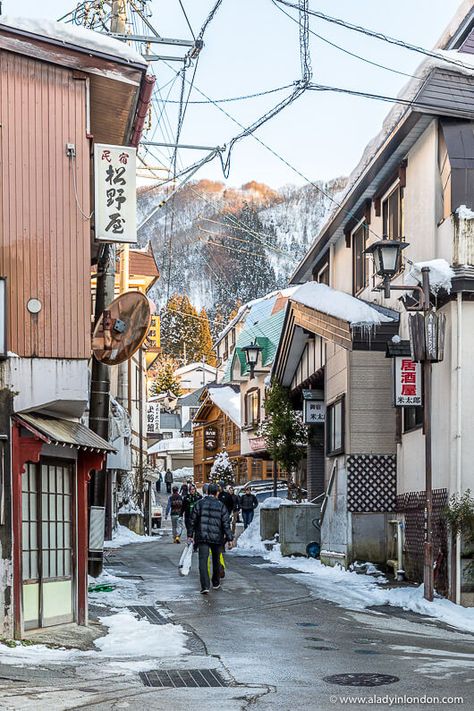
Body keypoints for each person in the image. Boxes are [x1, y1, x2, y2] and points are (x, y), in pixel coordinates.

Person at [189, 483, 233, 594]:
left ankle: (205, 586)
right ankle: (216, 581)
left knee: (203, 561)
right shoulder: (221, 506)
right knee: (216, 560)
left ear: (207, 492)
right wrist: (230, 538)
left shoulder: (199, 504)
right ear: (217, 493)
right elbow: (226, 523)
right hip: (217, 538)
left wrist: (190, 535)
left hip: (202, 537)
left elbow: (192, 520)